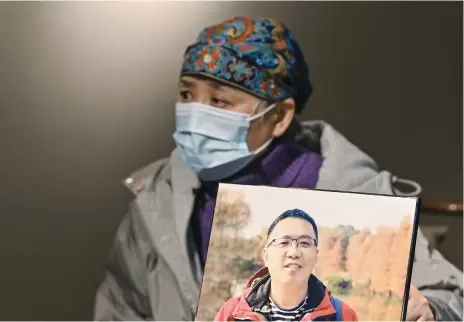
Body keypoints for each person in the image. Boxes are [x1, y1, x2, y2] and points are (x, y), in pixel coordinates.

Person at [93, 16, 463, 321]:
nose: (195, 112)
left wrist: (430, 311)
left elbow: (452, 295)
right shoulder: (157, 201)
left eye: (220, 100)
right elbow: (120, 307)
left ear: (280, 116)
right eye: (187, 94)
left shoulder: (357, 197)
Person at [215, 208, 358, 321]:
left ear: (316, 256)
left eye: (304, 243)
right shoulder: (232, 314)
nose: (294, 252)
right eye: (284, 242)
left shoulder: (342, 316)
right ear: (266, 256)